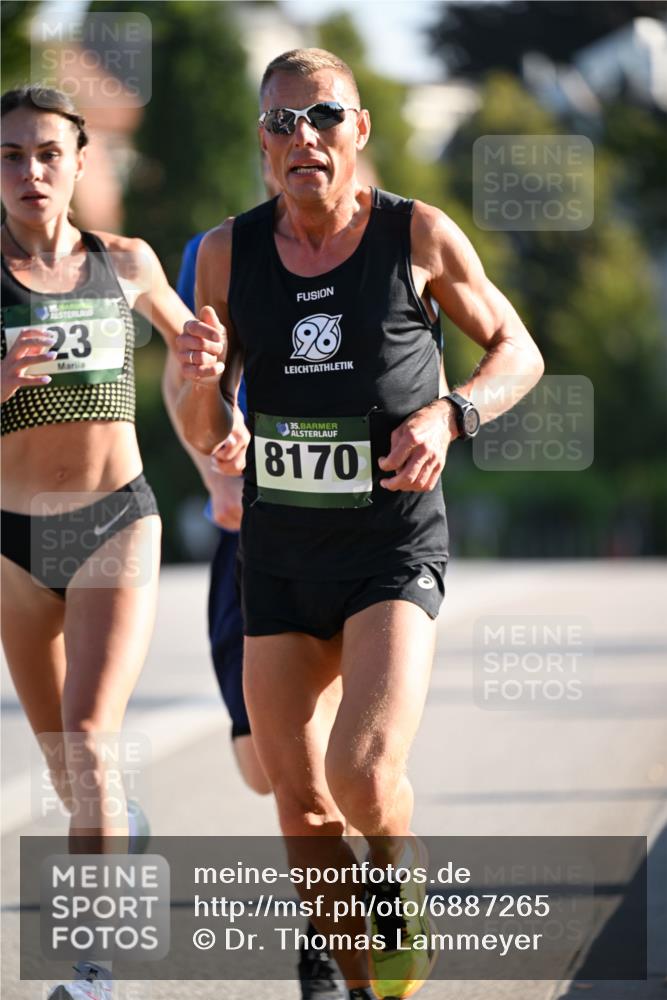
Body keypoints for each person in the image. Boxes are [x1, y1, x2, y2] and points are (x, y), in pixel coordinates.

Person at [175, 48, 544, 1000]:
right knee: (300, 809)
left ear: (360, 130)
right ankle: (365, 983)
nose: (305, 138)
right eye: (283, 123)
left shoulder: (415, 236)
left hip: (389, 550)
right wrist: (198, 376)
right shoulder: (227, 253)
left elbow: (519, 350)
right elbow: (214, 436)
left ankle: (399, 875)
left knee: (364, 773)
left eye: (324, 117)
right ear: (262, 142)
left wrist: (450, 414)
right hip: (280, 559)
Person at [0, 85, 194, 856]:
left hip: (112, 520)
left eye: (49, 154)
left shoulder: (127, 262)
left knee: (87, 736)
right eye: (11, 156)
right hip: (13, 546)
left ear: (82, 163)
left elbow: (195, 354)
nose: (31, 171)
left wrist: (212, 371)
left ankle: (94, 967)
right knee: (68, 770)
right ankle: (121, 822)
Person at [164, 228, 347, 999]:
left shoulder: (393, 250)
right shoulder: (220, 256)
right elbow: (183, 387)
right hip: (249, 526)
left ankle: (331, 937)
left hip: (351, 535)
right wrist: (215, 473)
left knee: (338, 747)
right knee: (262, 764)